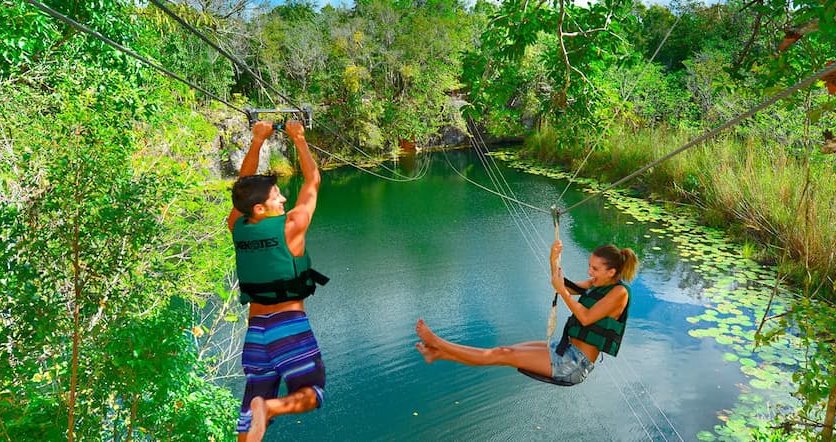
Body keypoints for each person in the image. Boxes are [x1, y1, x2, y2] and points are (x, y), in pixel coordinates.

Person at [228, 120, 329, 442]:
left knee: (250, 411)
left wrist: (258, 140)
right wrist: (299, 139)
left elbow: (243, 186)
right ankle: (270, 409)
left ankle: (259, 413)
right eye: (276, 196)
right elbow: (312, 180)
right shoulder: (292, 226)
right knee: (312, 392)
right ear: (260, 207)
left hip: (257, 331)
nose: (284, 199)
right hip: (287, 325)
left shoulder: (237, 224)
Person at [416, 240, 638, 386]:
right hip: (564, 349)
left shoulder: (619, 293)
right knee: (502, 351)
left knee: (501, 354)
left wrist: (562, 291)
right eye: (589, 266)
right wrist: (553, 260)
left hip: (573, 364)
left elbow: (586, 317)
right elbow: (561, 286)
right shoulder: (597, 283)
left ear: (612, 272)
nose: (589, 271)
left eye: (595, 269)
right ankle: (438, 353)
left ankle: (438, 343)